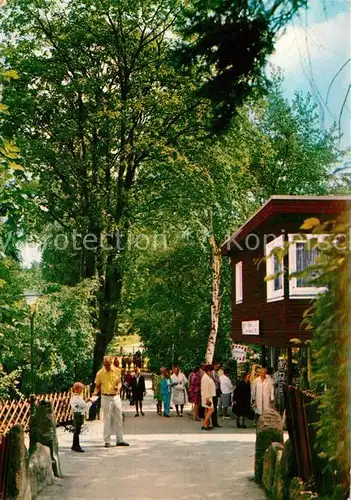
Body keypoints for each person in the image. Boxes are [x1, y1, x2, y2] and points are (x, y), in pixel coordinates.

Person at [93, 356, 129, 448]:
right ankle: (107, 441)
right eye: (105, 365)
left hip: (116, 397)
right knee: (107, 419)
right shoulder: (100, 373)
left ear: (111, 363)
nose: (107, 367)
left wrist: (119, 387)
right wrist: (95, 393)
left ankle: (120, 440)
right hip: (106, 397)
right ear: (103, 364)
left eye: (108, 365)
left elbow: (120, 382)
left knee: (119, 418)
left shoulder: (117, 371)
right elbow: (97, 386)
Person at [70, 382, 86, 452]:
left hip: (80, 413)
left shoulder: (78, 396)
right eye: (81, 388)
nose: (82, 390)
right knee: (77, 430)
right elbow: (77, 405)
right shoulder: (75, 397)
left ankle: (74, 445)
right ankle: (76, 446)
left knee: (77, 430)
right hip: (77, 414)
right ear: (77, 389)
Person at [201, 364, 216, 430]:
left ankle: (206, 425)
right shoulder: (205, 378)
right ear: (209, 371)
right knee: (211, 410)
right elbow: (205, 388)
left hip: (209, 396)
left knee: (207, 410)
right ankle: (204, 424)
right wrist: (207, 399)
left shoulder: (207, 377)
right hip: (207, 396)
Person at [210, 362, 222, 428]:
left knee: (215, 407)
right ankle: (213, 422)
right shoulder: (211, 373)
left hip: (216, 391)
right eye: (218, 366)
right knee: (212, 408)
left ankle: (215, 422)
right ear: (214, 365)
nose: (218, 367)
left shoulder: (216, 373)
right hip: (212, 392)